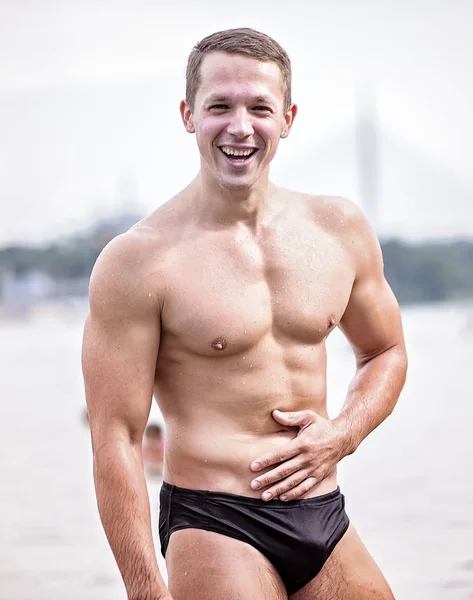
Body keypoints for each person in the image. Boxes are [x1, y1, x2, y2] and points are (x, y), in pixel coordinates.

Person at [81, 27, 408, 600]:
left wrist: (344, 434)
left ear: (288, 117)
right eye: (219, 107)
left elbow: (385, 352)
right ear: (188, 114)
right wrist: (144, 590)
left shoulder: (339, 230)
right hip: (215, 520)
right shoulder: (138, 261)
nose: (240, 127)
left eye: (259, 107)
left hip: (325, 514)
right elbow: (116, 437)